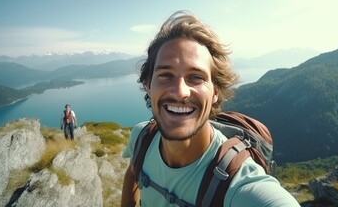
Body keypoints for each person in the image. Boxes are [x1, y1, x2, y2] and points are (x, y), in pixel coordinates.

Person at [121, 11, 300, 206]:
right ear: (148, 84)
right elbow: (133, 172)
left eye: (196, 77)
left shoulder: (236, 183)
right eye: (165, 75)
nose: (180, 92)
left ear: (215, 91)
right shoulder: (141, 138)